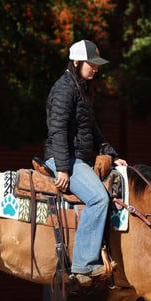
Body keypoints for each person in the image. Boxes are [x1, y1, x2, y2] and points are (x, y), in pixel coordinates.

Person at [44, 39, 128, 286]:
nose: (95, 68)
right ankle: (83, 264)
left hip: (75, 157)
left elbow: (92, 129)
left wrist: (112, 155)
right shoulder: (64, 90)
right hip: (64, 157)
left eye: (97, 65)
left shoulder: (81, 89)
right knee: (98, 198)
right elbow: (57, 129)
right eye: (91, 64)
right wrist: (62, 168)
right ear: (77, 62)